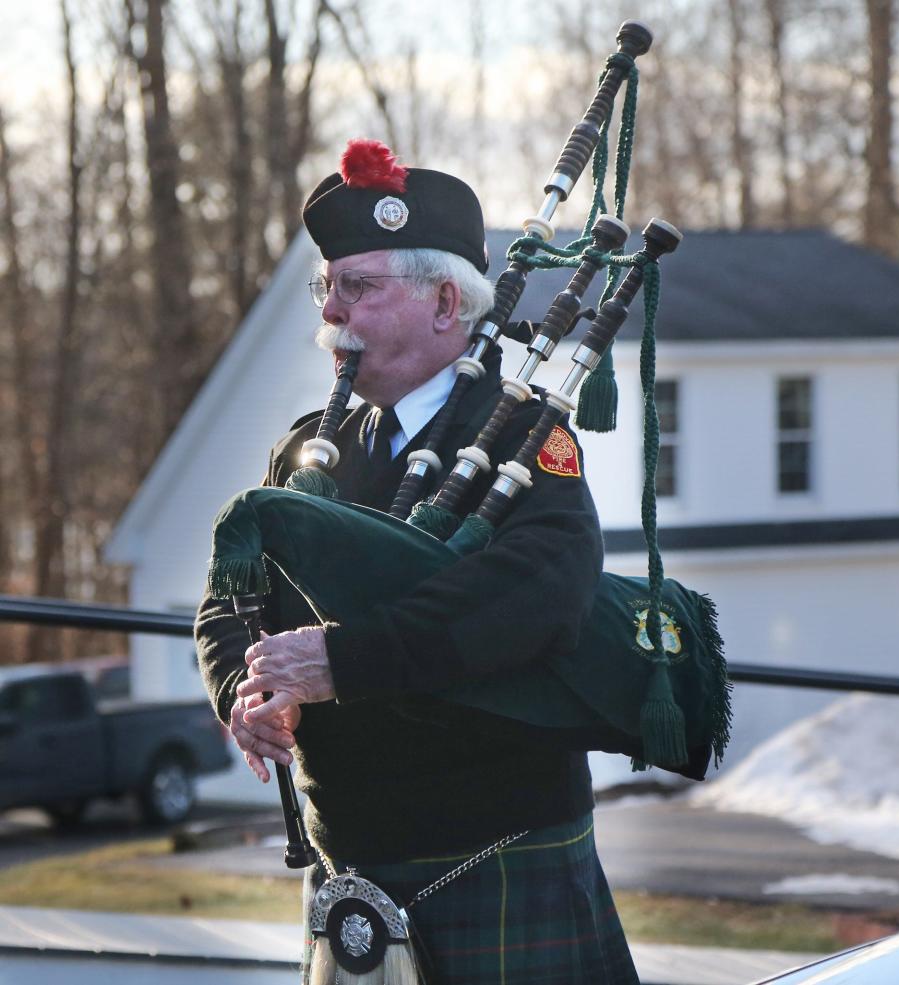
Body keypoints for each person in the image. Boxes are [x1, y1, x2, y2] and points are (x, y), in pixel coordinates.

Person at [195, 139, 640, 984]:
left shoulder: (524, 439)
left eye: (360, 288)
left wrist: (341, 660)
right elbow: (229, 601)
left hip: (496, 858)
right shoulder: (306, 451)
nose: (333, 313)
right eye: (327, 287)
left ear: (446, 302)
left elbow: (537, 598)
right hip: (348, 868)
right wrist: (242, 693)